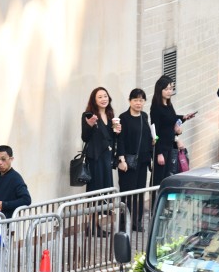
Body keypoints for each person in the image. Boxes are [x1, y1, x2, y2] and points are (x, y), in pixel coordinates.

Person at [117, 88, 155, 231]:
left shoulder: (144, 116)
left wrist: (152, 142)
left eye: (141, 100)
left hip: (143, 161)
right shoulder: (123, 117)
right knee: (127, 192)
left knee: (140, 192)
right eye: (135, 100)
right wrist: (121, 160)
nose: (138, 103)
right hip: (128, 162)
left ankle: (136, 222)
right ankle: (123, 223)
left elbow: (145, 136)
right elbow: (120, 140)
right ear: (129, 101)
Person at [150, 75, 197, 183]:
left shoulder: (168, 104)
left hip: (170, 145)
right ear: (159, 90)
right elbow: (155, 132)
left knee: (168, 176)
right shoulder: (156, 107)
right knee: (158, 178)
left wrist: (183, 117)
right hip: (161, 147)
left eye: (171, 89)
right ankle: (155, 199)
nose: (169, 91)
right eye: (166, 89)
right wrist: (159, 153)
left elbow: (171, 120)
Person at [81, 87, 121, 193]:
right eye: (100, 97)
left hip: (107, 157)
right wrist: (89, 125)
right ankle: (95, 210)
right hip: (95, 158)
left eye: (105, 96)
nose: (103, 99)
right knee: (96, 189)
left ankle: (107, 210)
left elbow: (111, 138)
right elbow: (84, 137)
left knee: (107, 188)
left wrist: (116, 132)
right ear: (94, 100)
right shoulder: (88, 115)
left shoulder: (110, 115)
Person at [0, 145, 31, 218]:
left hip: (8, 222)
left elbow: (26, 200)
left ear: (11, 159)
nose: (0, 163)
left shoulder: (16, 178)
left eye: (3, 159)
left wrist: (4, 204)